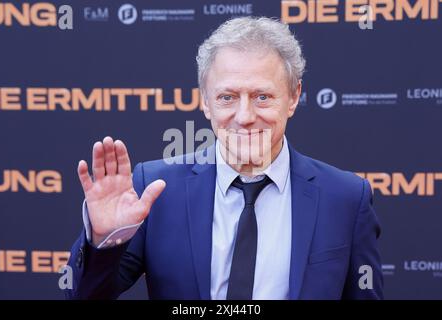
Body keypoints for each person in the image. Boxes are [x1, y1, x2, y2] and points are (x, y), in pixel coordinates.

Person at [66, 17, 383, 300]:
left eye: (262, 96)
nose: (244, 116)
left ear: (294, 97)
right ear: (205, 101)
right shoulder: (155, 188)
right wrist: (103, 242)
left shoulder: (345, 198)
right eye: (227, 97)